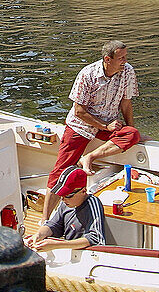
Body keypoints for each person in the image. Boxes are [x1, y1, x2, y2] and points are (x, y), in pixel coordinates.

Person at [42, 41, 140, 222]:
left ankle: (89, 157)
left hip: (108, 124)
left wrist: (130, 127)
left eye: (126, 57)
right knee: (61, 170)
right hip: (81, 125)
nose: (125, 61)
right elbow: (79, 111)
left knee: (132, 134)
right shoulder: (87, 74)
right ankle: (45, 219)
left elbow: (126, 103)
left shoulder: (128, 72)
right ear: (107, 59)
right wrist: (104, 126)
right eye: (121, 58)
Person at [26, 166, 107, 251]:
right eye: (61, 195)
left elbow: (96, 239)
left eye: (68, 195)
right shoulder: (65, 203)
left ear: (83, 191)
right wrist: (39, 234)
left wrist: (58, 245)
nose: (63, 199)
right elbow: (54, 225)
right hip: (68, 250)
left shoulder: (93, 204)